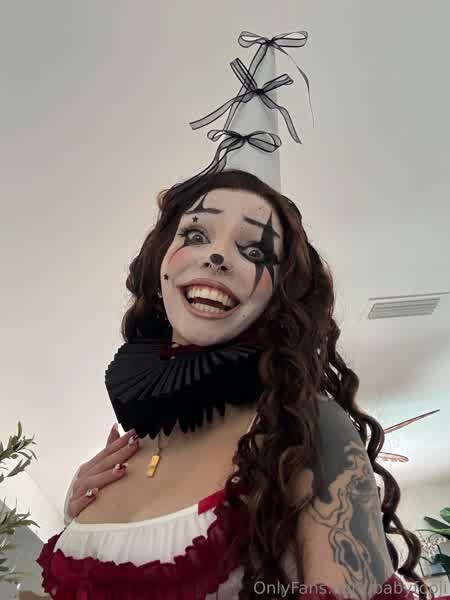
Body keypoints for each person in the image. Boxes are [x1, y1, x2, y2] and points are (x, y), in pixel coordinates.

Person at [36, 169, 430, 599]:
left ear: (278, 292)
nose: (218, 256)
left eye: (255, 250)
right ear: (160, 262)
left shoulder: (304, 429)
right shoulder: (115, 461)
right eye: (196, 235)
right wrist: (74, 519)